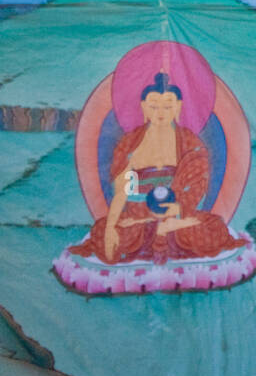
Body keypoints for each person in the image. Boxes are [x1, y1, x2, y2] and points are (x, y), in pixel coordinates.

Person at [69, 71, 245, 265]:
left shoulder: (189, 143)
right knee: (103, 232)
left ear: (178, 107)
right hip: (139, 218)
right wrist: (111, 226)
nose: (161, 112)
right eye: (154, 106)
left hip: (175, 215)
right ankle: (161, 231)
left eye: (168, 106)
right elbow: (122, 192)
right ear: (143, 108)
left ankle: (167, 229)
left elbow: (196, 188)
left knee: (214, 228)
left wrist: (177, 209)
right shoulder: (130, 144)